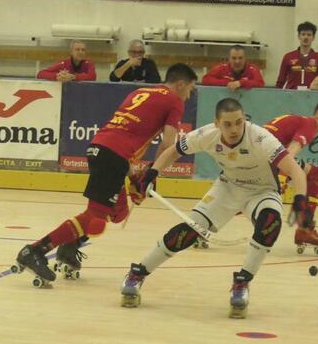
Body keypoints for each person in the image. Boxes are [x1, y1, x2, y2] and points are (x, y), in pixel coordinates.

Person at [119, 98, 311, 318]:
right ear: (217, 123)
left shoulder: (260, 137)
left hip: (262, 190)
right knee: (188, 232)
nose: (234, 129)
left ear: (244, 119)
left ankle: (242, 282)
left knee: (270, 224)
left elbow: (295, 171)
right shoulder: (206, 134)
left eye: (238, 122)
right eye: (227, 124)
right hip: (228, 187)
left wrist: (300, 201)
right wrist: (153, 173)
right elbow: (173, 151)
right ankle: (137, 273)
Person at [12, 64, 198, 285]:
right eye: (190, 89)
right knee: (94, 217)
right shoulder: (174, 100)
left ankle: (69, 246)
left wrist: (134, 177)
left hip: (101, 148)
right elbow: (168, 143)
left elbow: (124, 135)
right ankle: (35, 250)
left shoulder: (141, 91)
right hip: (113, 155)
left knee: (117, 213)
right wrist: (151, 175)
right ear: (181, 84)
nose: (188, 96)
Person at [263, 102, 318, 253]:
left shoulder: (300, 121)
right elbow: (290, 153)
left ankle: (305, 229)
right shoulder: (310, 125)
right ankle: (305, 229)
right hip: (267, 158)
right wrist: (282, 177)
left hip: (264, 155)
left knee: (317, 175)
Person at [275, 21, 318, 90]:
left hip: (312, 94)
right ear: (299, 36)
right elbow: (280, 81)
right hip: (292, 94)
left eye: (309, 35)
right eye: (303, 34)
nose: (306, 37)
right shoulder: (288, 57)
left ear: (313, 37)